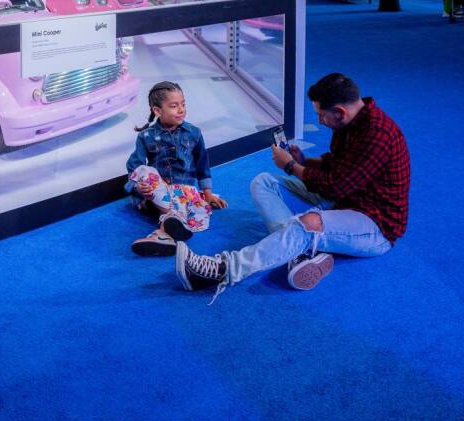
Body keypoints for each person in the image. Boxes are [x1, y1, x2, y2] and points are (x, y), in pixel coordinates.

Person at [173, 73, 410, 297]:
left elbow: (334, 186)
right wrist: (305, 162)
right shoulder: (351, 123)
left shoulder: (376, 135)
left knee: (307, 224)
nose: (319, 120)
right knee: (263, 182)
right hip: (345, 201)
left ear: (339, 112)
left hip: (374, 225)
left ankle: (223, 270)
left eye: (321, 115)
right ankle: (298, 253)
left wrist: (290, 167)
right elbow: (339, 164)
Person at [126, 81, 227, 256]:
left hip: (184, 193)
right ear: (157, 111)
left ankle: (163, 235)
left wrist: (208, 194)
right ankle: (171, 220)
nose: (181, 109)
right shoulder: (145, 136)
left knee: (193, 217)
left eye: (183, 104)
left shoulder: (194, 132)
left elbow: (202, 163)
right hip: (157, 193)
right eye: (174, 106)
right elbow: (135, 168)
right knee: (145, 171)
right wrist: (138, 187)